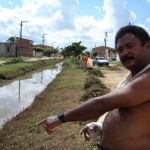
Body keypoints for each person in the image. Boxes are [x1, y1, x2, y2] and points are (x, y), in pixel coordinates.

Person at [36, 25, 150, 150]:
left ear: (148, 46)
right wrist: (100, 125)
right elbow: (125, 111)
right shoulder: (130, 77)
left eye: (130, 46)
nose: (124, 53)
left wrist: (60, 118)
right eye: (120, 49)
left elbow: (102, 104)